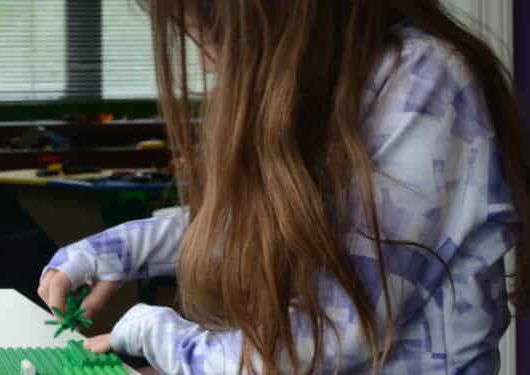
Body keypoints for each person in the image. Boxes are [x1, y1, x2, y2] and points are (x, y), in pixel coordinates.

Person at [38, 1, 530, 374]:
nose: (207, 65)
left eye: (211, 35)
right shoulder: (330, 87)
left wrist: (152, 333)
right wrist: (121, 249)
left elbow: (333, 335)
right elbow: (274, 226)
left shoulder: (427, 82)